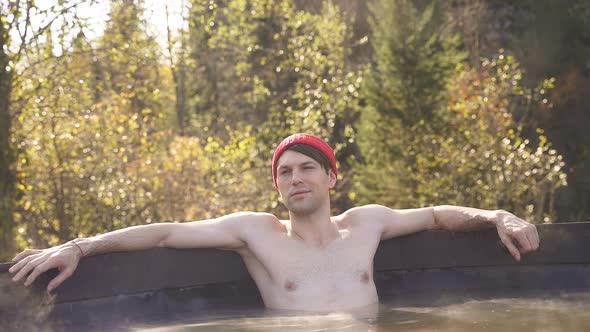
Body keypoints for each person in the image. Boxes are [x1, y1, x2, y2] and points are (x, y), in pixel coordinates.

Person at [9, 133, 539, 311]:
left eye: (308, 168)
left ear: (332, 178)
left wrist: (497, 214)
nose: (295, 178)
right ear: (276, 186)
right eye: (284, 172)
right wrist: (78, 246)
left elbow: (435, 214)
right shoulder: (256, 233)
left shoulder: (367, 224)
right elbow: (165, 232)